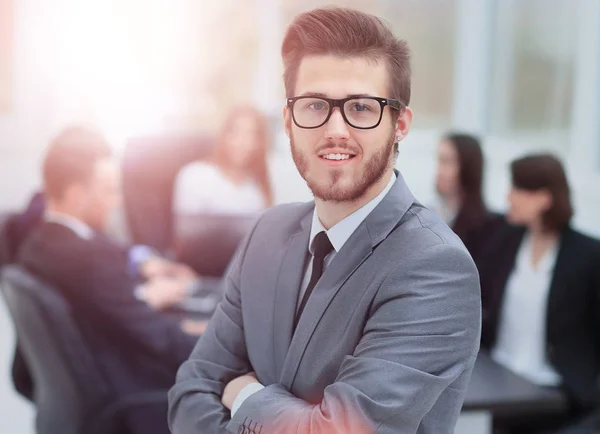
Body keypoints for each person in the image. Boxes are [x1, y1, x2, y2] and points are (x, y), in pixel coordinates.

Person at [168, 8, 481, 434]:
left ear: (400, 124)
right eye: (314, 105)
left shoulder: (434, 266)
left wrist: (243, 394)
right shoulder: (266, 232)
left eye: (361, 107)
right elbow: (189, 392)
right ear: (288, 122)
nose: (335, 129)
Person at [17, 126, 206, 434]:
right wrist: (219, 342)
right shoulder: (89, 258)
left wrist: (142, 297)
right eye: (109, 190)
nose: (116, 202)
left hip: (86, 392)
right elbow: (159, 339)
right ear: (78, 194)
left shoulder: (36, 246)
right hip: (129, 397)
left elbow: (103, 303)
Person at [479, 154, 600, 433]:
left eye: (519, 188)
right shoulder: (504, 241)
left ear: (545, 198)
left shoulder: (587, 255)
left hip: (554, 395)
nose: (509, 196)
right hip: (499, 381)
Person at [173, 105, 273, 236]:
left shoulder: (256, 190)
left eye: (252, 135)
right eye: (236, 132)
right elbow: (186, 237)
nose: (244, 142)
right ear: (224, 135)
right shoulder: (194, 176)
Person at [434, 132, 500, 267]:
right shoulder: (428, 214)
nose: (439, 170)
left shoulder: (490, 228)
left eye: (447, 162)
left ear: (468, 166)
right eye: (439, 160)